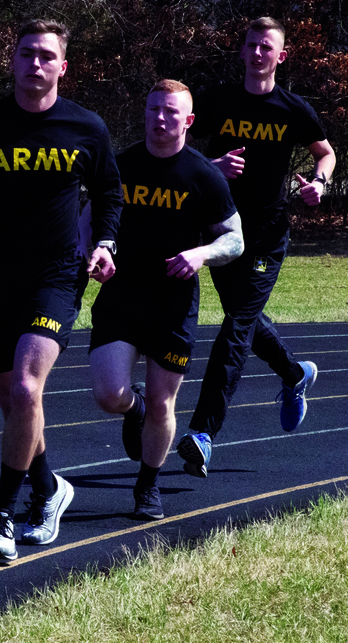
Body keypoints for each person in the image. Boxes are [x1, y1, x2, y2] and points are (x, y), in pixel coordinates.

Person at [0, 19, 123, 562]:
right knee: (12, 399)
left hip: (58, 272)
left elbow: (109, 192)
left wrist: (104, 243)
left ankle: (3, 513)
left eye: (46, 56)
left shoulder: (86, 127)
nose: (35, 64)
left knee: (28, 391)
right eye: (26, 54)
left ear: (63, 66)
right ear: (11, 61)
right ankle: (50, 487)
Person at [177, 16, 336, 478]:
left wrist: (320, 184)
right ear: (242, 51)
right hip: (223, 232)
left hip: (267, 233)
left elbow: (325, 152)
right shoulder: (219, 100)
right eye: (251, 45)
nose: (257, 53)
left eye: (267, 47)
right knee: (242, 322)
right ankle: (294, 374)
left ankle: (203, 433)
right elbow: (175, 144)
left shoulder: (293, 108)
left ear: (280, 56)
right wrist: (211, 165)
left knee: (235, 328)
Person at [88, 79, 242, 519]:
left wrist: (202, 254)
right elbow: (88, 216)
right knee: (108, 394)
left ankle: (147, 486)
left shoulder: (204, 176)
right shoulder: (120, 167)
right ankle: (131, 409)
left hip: (173, 306)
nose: (160, 119)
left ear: (188, 121)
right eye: (154, 109)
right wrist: (94, 251)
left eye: (171, 112)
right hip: (121, 298)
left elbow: (236, 240)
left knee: (163, 402)